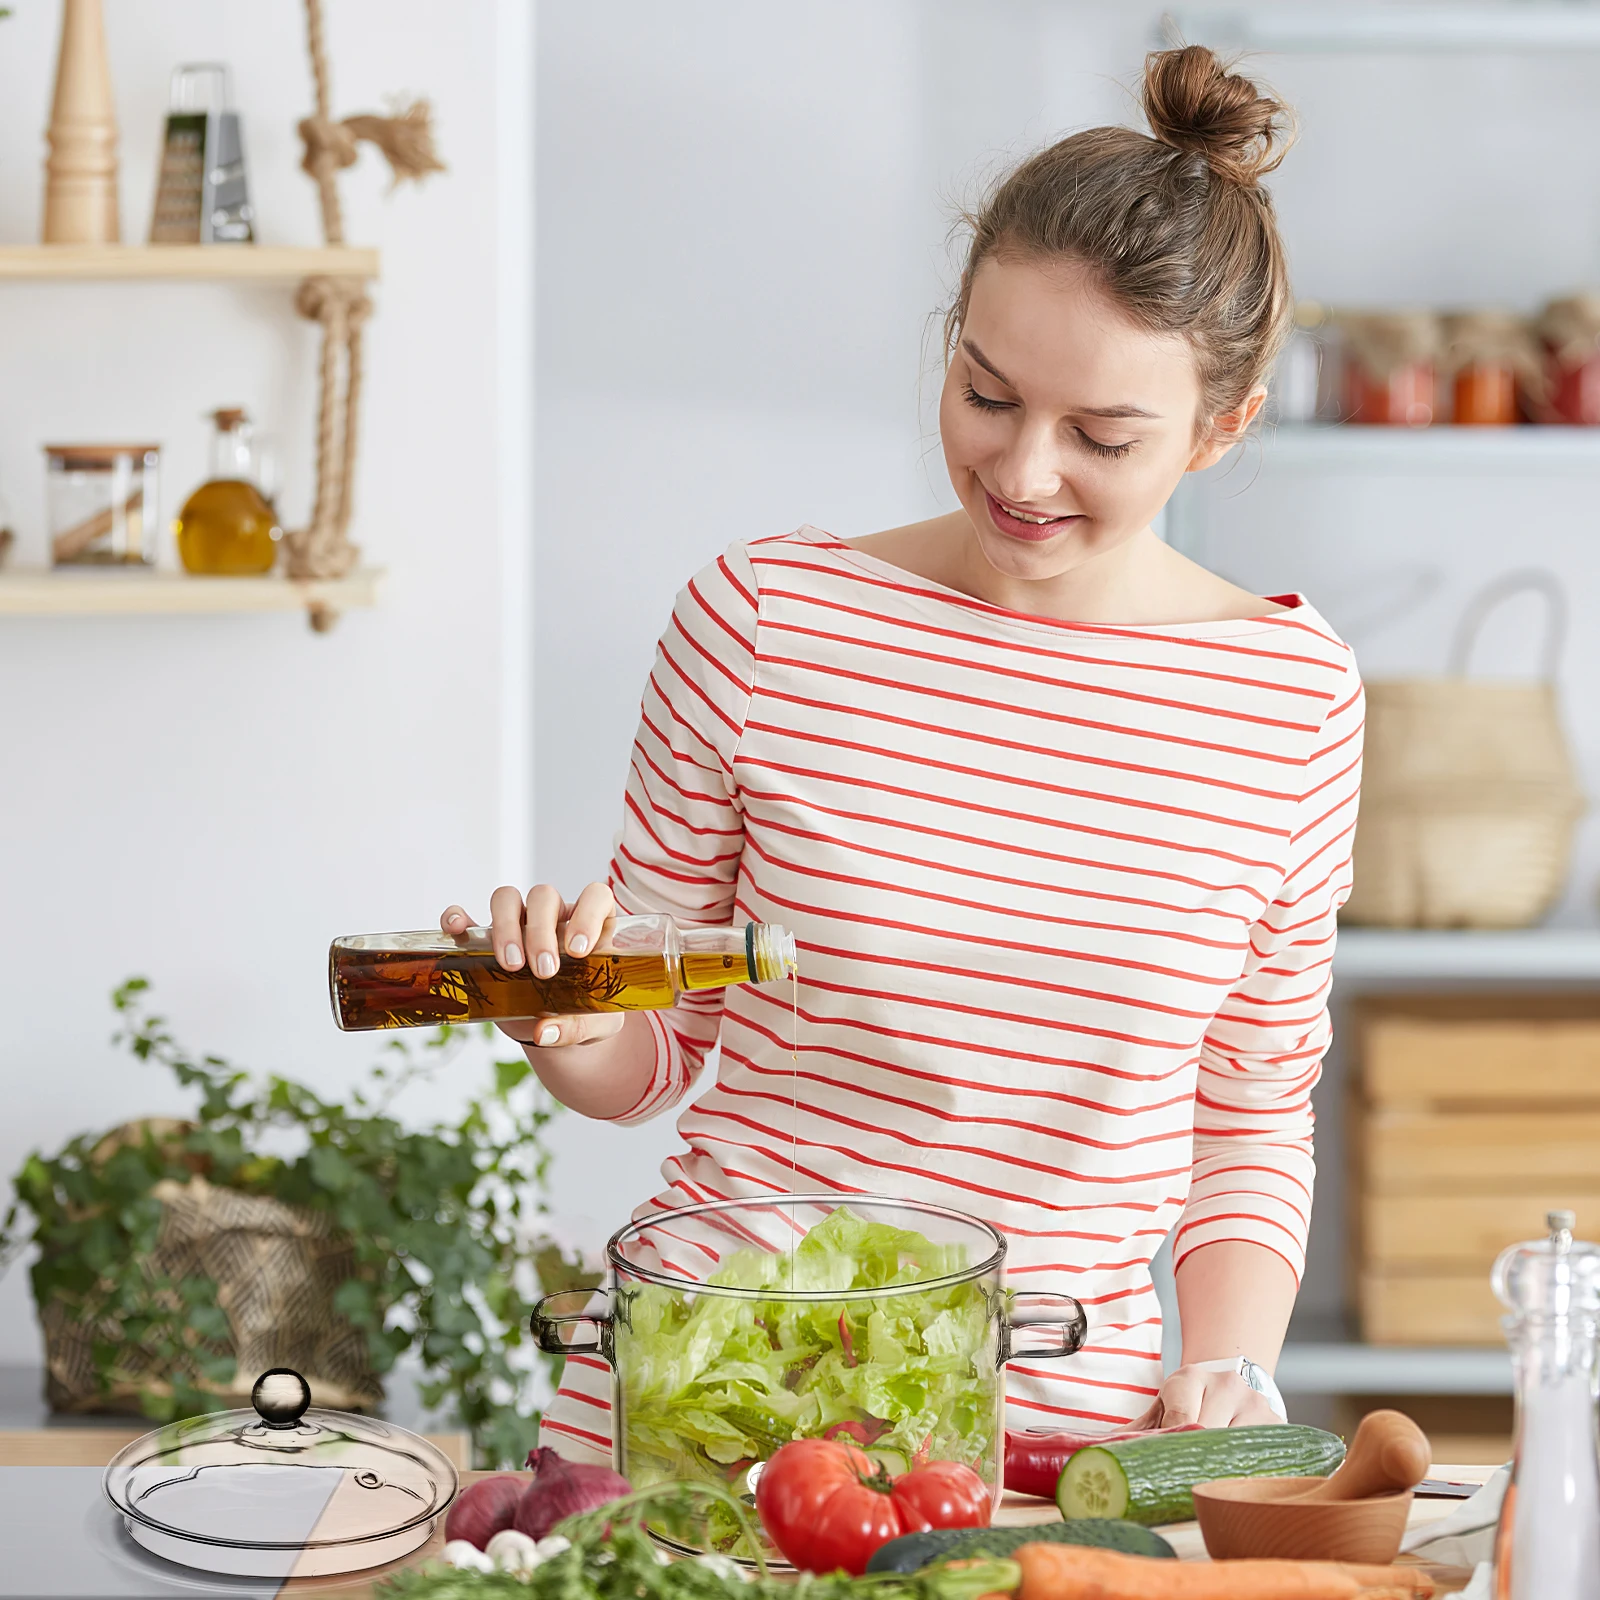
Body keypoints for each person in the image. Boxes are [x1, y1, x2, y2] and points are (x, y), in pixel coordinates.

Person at [445, 44, 1362, 1462]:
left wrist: (1233, 1364)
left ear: (1222, 430)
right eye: (986, 394)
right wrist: (563, 1018)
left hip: (1044, 1445)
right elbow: (658, 1050)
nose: (1023, 471)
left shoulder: (1290, 701)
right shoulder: (762, 621)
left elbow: (1249, 1106)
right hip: (706, 1394)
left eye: (1102, 436)